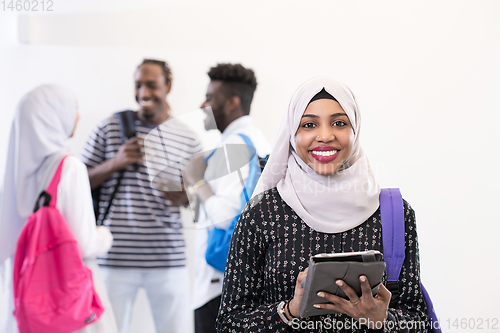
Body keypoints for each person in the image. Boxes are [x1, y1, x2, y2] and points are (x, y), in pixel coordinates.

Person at [216, 77, 430, 332]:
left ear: (356, 129)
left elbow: (418, 319)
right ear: (292, 133)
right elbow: (229, 322)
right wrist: (290, 310)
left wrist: (383, 321)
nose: (325, 135)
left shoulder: (394, 213)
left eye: (339, 123)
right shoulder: (262, 213)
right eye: (309, 124)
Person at [81, 59, 202, 333]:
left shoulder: (188, 138)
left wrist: (176, 192)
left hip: (168, 259)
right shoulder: (111, 127)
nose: (143, 93)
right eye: (138, 85)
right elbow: (77, 182)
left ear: (168, 86)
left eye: (151, 85)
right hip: (113, 257)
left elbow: (197, 201)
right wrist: (116, 162)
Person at [0, 84, 117, 333]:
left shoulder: (14, 170)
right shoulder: (69, 166)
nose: (77, 116)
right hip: (67, 298)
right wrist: (104, 235)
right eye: (73, 108)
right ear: (53, 116)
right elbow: (85, 245)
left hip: (25, 296)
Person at [182, 63, 271, 333]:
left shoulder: (234, 147)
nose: (202, 105)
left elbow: (226, 215)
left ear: (232, 102)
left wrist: (196, 181)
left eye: (210, 98)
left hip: (219, 289)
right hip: (245, 284)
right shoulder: (258, 141)